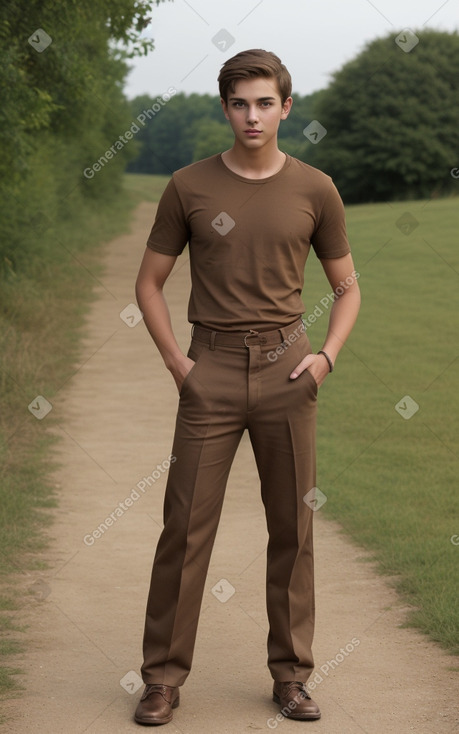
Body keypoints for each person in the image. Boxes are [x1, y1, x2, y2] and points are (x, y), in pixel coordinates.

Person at [134, 48, 360, 726]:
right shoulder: (188, 186)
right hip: (211, 372)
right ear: (225, 107)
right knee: (185, 527)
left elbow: (346, 288)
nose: (252, 115)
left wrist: (326, 356)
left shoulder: (314, 188)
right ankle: (162, 680)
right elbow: (148, 283)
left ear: (286, 107)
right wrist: (179, 364)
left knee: (293, 526)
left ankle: (290, 678)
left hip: (289, 370)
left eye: (265, 102)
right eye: (240, 103)